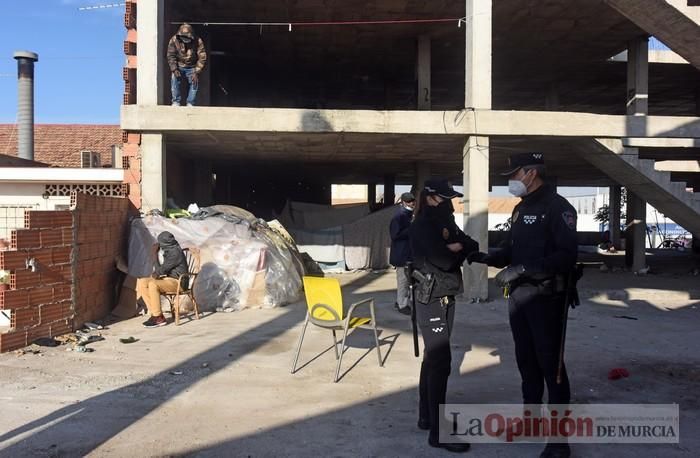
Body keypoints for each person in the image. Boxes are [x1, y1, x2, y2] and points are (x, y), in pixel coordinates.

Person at [468, 153, 578, 458]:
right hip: (519, 299)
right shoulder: (521, 209)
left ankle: (559, 442)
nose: (510, 181)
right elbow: (513, 249)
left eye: (514, 174)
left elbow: (567, 256)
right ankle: (530, 422)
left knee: (551, 367)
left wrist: (523, 270)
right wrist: (490, 258)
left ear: (531, 173)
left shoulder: (558, 209)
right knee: (526, 363)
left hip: (546, 299)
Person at [409, 178, 478, 453]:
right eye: (443, 198)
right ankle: (438, 433)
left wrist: (458, 248)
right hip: (431, 296)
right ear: (430, 197)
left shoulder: (445, 221)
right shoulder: (422, 225)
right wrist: (456, 251)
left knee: (433, 358)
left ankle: (427, 417)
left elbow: (468, 242)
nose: (449, 202)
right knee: (440, 361)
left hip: (447, 293)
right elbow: (444, 260)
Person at [136, 231, 189, 328]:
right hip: (169, 279)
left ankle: (158, 318)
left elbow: (160, 271)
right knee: (143, 282)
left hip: (179, 282)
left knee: (153, 284)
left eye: (160, 243)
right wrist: (155, 274)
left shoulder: (175, 253)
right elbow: (160, 271)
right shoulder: (170, 250)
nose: (159, 245)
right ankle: (155, 313)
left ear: (165, 243)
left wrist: (154, 255)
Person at [167, 23, 207, 107]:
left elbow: (202, 57)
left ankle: (190, 103)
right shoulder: (174, 40)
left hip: (192, 66)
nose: (185, 40)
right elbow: (171, 55)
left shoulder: (198, 41)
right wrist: (174, 68)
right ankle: (176, 101)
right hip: (179, 65)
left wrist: (196, 71)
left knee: (194, 82)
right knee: (174, 78)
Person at [389, 192, 415, 315]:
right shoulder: (399, 217)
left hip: (408, 254)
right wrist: (411, 228)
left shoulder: (409, 215)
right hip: (401, 255)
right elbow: (395, 235)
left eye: (413, 201)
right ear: (403, 202)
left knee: (408, 280)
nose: (412, 203)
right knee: (403, 280)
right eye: (409, 201)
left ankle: (402, 301)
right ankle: (402, 305)